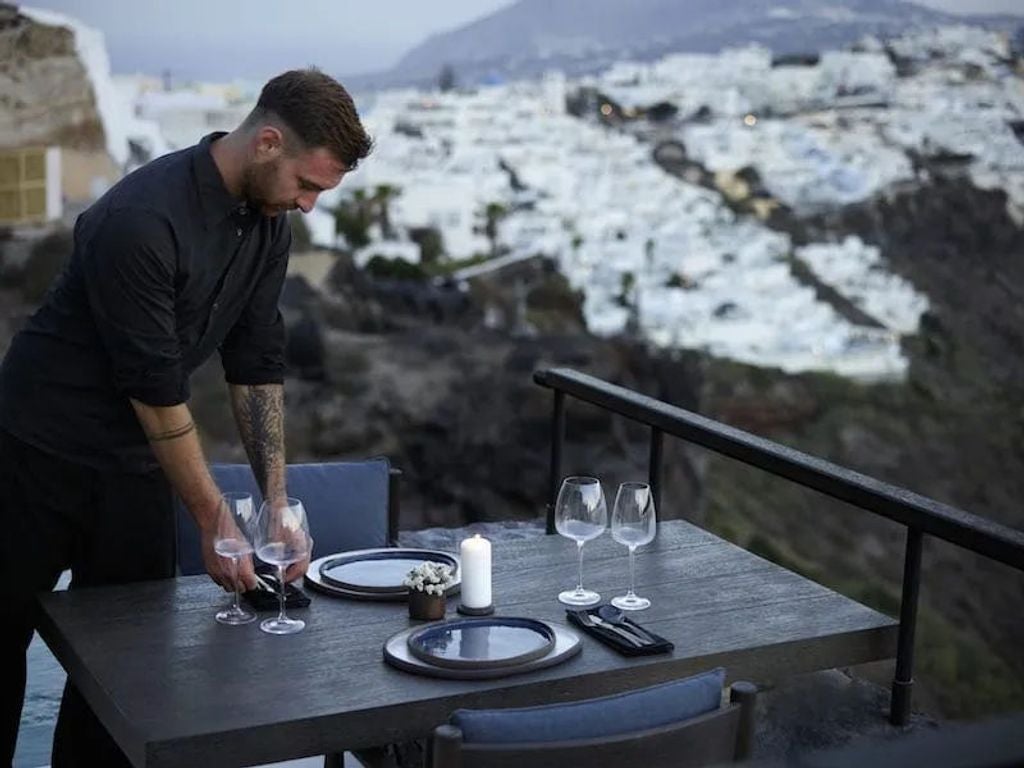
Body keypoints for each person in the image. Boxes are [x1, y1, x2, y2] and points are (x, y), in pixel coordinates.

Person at [0, 68, 372, 767]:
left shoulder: (269, 225)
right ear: (267, 142)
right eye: (309, 185)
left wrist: (277, 506)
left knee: (127, 668)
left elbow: (257, 364)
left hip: (136, 466)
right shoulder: (141, 220)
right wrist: (214, 522)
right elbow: (157, 391)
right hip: (32, 451)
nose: (311, 205)